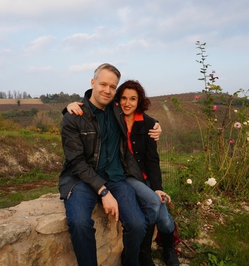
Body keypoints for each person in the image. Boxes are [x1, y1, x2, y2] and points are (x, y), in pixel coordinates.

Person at [67, 79, 179, 266]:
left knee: (164, 220)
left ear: (139, 101)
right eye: (124, 98)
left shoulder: (149, 124)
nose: (128, 103)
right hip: (126, 176)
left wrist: (157, 187)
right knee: (152, 204)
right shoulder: (113, 115)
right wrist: (69, 106)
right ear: (118, 100)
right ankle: (144, 253)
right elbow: (91, 105)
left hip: (143, 176)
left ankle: (167, 248)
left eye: (133, 99)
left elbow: (152, 160)